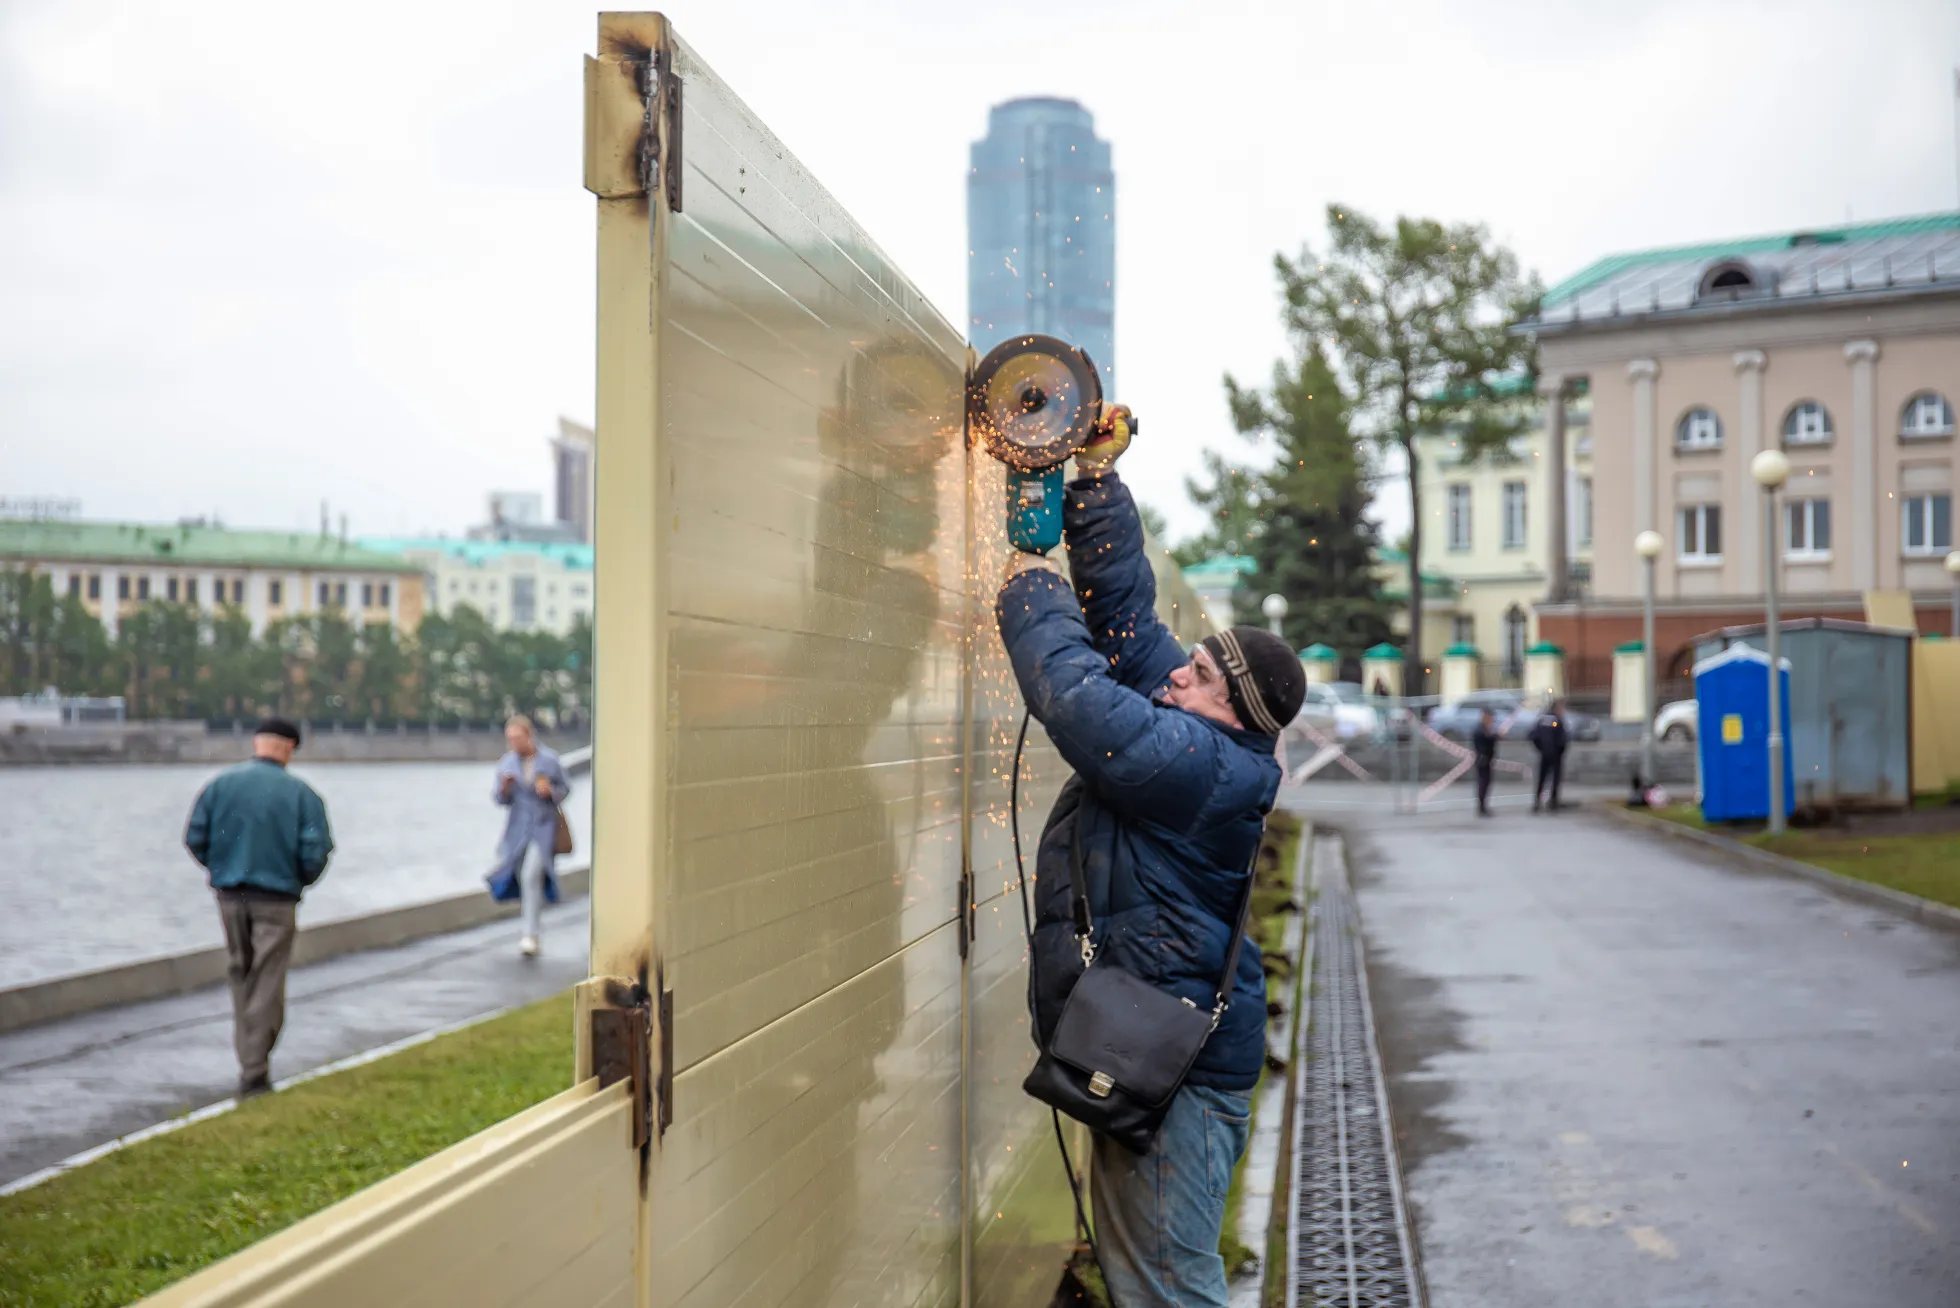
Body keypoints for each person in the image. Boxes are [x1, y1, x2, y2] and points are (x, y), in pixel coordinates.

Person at [997, 408, 1306, 1308]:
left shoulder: (1196, 766)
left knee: (1168, 1292)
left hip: (1171, 1082)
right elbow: (1129, 625)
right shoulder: (1202, 734)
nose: (1178, 673)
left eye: (1202, 674)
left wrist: (1027, 577)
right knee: (1151, 1280)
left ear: (1236, 713)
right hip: (1155, 1055)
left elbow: (1079, 699)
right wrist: (1094, 483)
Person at [184, 717, 334, 1098]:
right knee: (267, 979)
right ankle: (254, 1069)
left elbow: (195, 837)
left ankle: (247, 1059)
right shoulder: (302, 795)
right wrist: (298, 880)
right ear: (289, 748)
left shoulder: (219, 786)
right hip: (277, 897)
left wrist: (220, 869)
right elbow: (316, 850)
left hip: (230, 895)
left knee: (240, 972)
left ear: (256, 742)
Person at [487, 714, 570, 957]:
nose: (514, 743)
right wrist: (505, 787)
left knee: (531, 874)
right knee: (522, 878)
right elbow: (499, 799)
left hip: (543, 829)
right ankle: (532, 925)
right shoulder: (507, 764)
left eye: (518, 737)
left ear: (529, 735)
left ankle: (530, 934)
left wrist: (550, 792)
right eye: (510, 739)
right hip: (517, 831)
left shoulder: (550, 760)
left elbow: (565, 789)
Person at [1529, 699, 1571, 812]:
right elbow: (1563, 739)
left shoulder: (1542, 720)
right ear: (1556, 709)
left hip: (1544, 754)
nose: (1563, 711)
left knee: (1542, 779)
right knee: (1555, 779)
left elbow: (1533, 736)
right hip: (1555, 755)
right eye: (1561, 708)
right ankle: (1553, 802)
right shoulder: (1558, 721)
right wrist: (1560, 751)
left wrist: (1540, 749)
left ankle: (1537, 802)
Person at [1472, 708, 1498, 817]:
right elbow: (1481, 742)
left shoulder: (1487, 729)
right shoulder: (1481, 729)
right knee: (1483, 782)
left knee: (1486, 783)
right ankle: (1482, 806)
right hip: (1483, 759)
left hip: (1487, 759)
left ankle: (1483, 805)